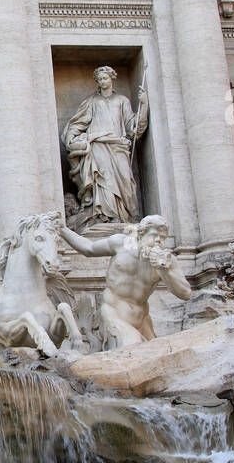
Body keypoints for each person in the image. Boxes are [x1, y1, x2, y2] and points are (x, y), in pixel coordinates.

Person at [57, 214, 192, 348]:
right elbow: (89, 248)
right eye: (154, 235)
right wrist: (62, 229)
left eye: (162, 238)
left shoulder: (167, 260)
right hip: (114, 314)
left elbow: (185, 293)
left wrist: (164, 270)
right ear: (142, 233)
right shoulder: (121, 244)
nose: (158, 241)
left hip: (142, 320)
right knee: (134, 351)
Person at [63, 65, 148, 228]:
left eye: (105, 78)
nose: (103, 81)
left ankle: (124, 216)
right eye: (100, 79)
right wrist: (72, 138)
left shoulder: (122, 101)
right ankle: (104, 217)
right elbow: (78, 123)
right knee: (104, 180)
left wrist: (144, 105)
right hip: (98, 146)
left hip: (118, 147)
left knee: (125, 181)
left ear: (112, 79)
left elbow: (133, 128)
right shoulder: (92, 102)